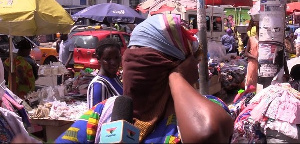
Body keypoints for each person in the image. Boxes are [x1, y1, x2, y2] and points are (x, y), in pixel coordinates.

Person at [55, 14, 233, 143]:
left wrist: (177, 77)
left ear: (179, 66)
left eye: (146, 63)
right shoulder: (106, 112)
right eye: (130, 59)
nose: (133, 72)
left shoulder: (208, 108)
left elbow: (208, 131)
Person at [86, 38, 123, 109]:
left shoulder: (115, 78)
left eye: (117, 58)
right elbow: (96, 116)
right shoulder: (99, 85)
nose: (114, 63)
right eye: (107, 59)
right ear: (99, 59)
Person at [244, 19, 259, 89]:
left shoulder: (264, 41)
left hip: (261, 65)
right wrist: (255, 57)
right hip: (252, 64)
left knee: (259, 84)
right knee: (250, 84)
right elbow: (246, 53)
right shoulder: (251, 39)